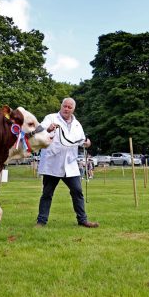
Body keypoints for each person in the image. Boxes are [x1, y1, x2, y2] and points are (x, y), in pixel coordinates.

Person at [35, 97, 99, 228]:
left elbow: (82, 141)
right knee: (47, 193)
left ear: (73, 109)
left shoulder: (77, 124)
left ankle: (83, 220)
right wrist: (48, 129)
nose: (66, 109)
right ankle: (41, 221)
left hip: (70, 164)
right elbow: (39, 130)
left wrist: (87, 143)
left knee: (77, 191)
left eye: (70, 107)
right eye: (65, 106)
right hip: (52, 163)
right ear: (61, 106)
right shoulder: (51, 118)